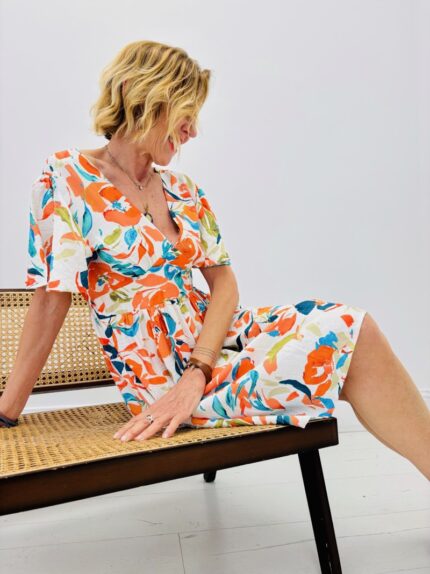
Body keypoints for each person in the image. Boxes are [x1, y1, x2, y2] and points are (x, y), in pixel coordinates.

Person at [1, 40, 429, 480]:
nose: (192, 132)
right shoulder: (68, 176)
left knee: (355, 326)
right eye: (185, 114)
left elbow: (225, 286)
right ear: (137, 94)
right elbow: (51, 297)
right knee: (349, 340)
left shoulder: (183, 189)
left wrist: (198, 370)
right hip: (162, 374)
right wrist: (6, 412)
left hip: (213, 348)